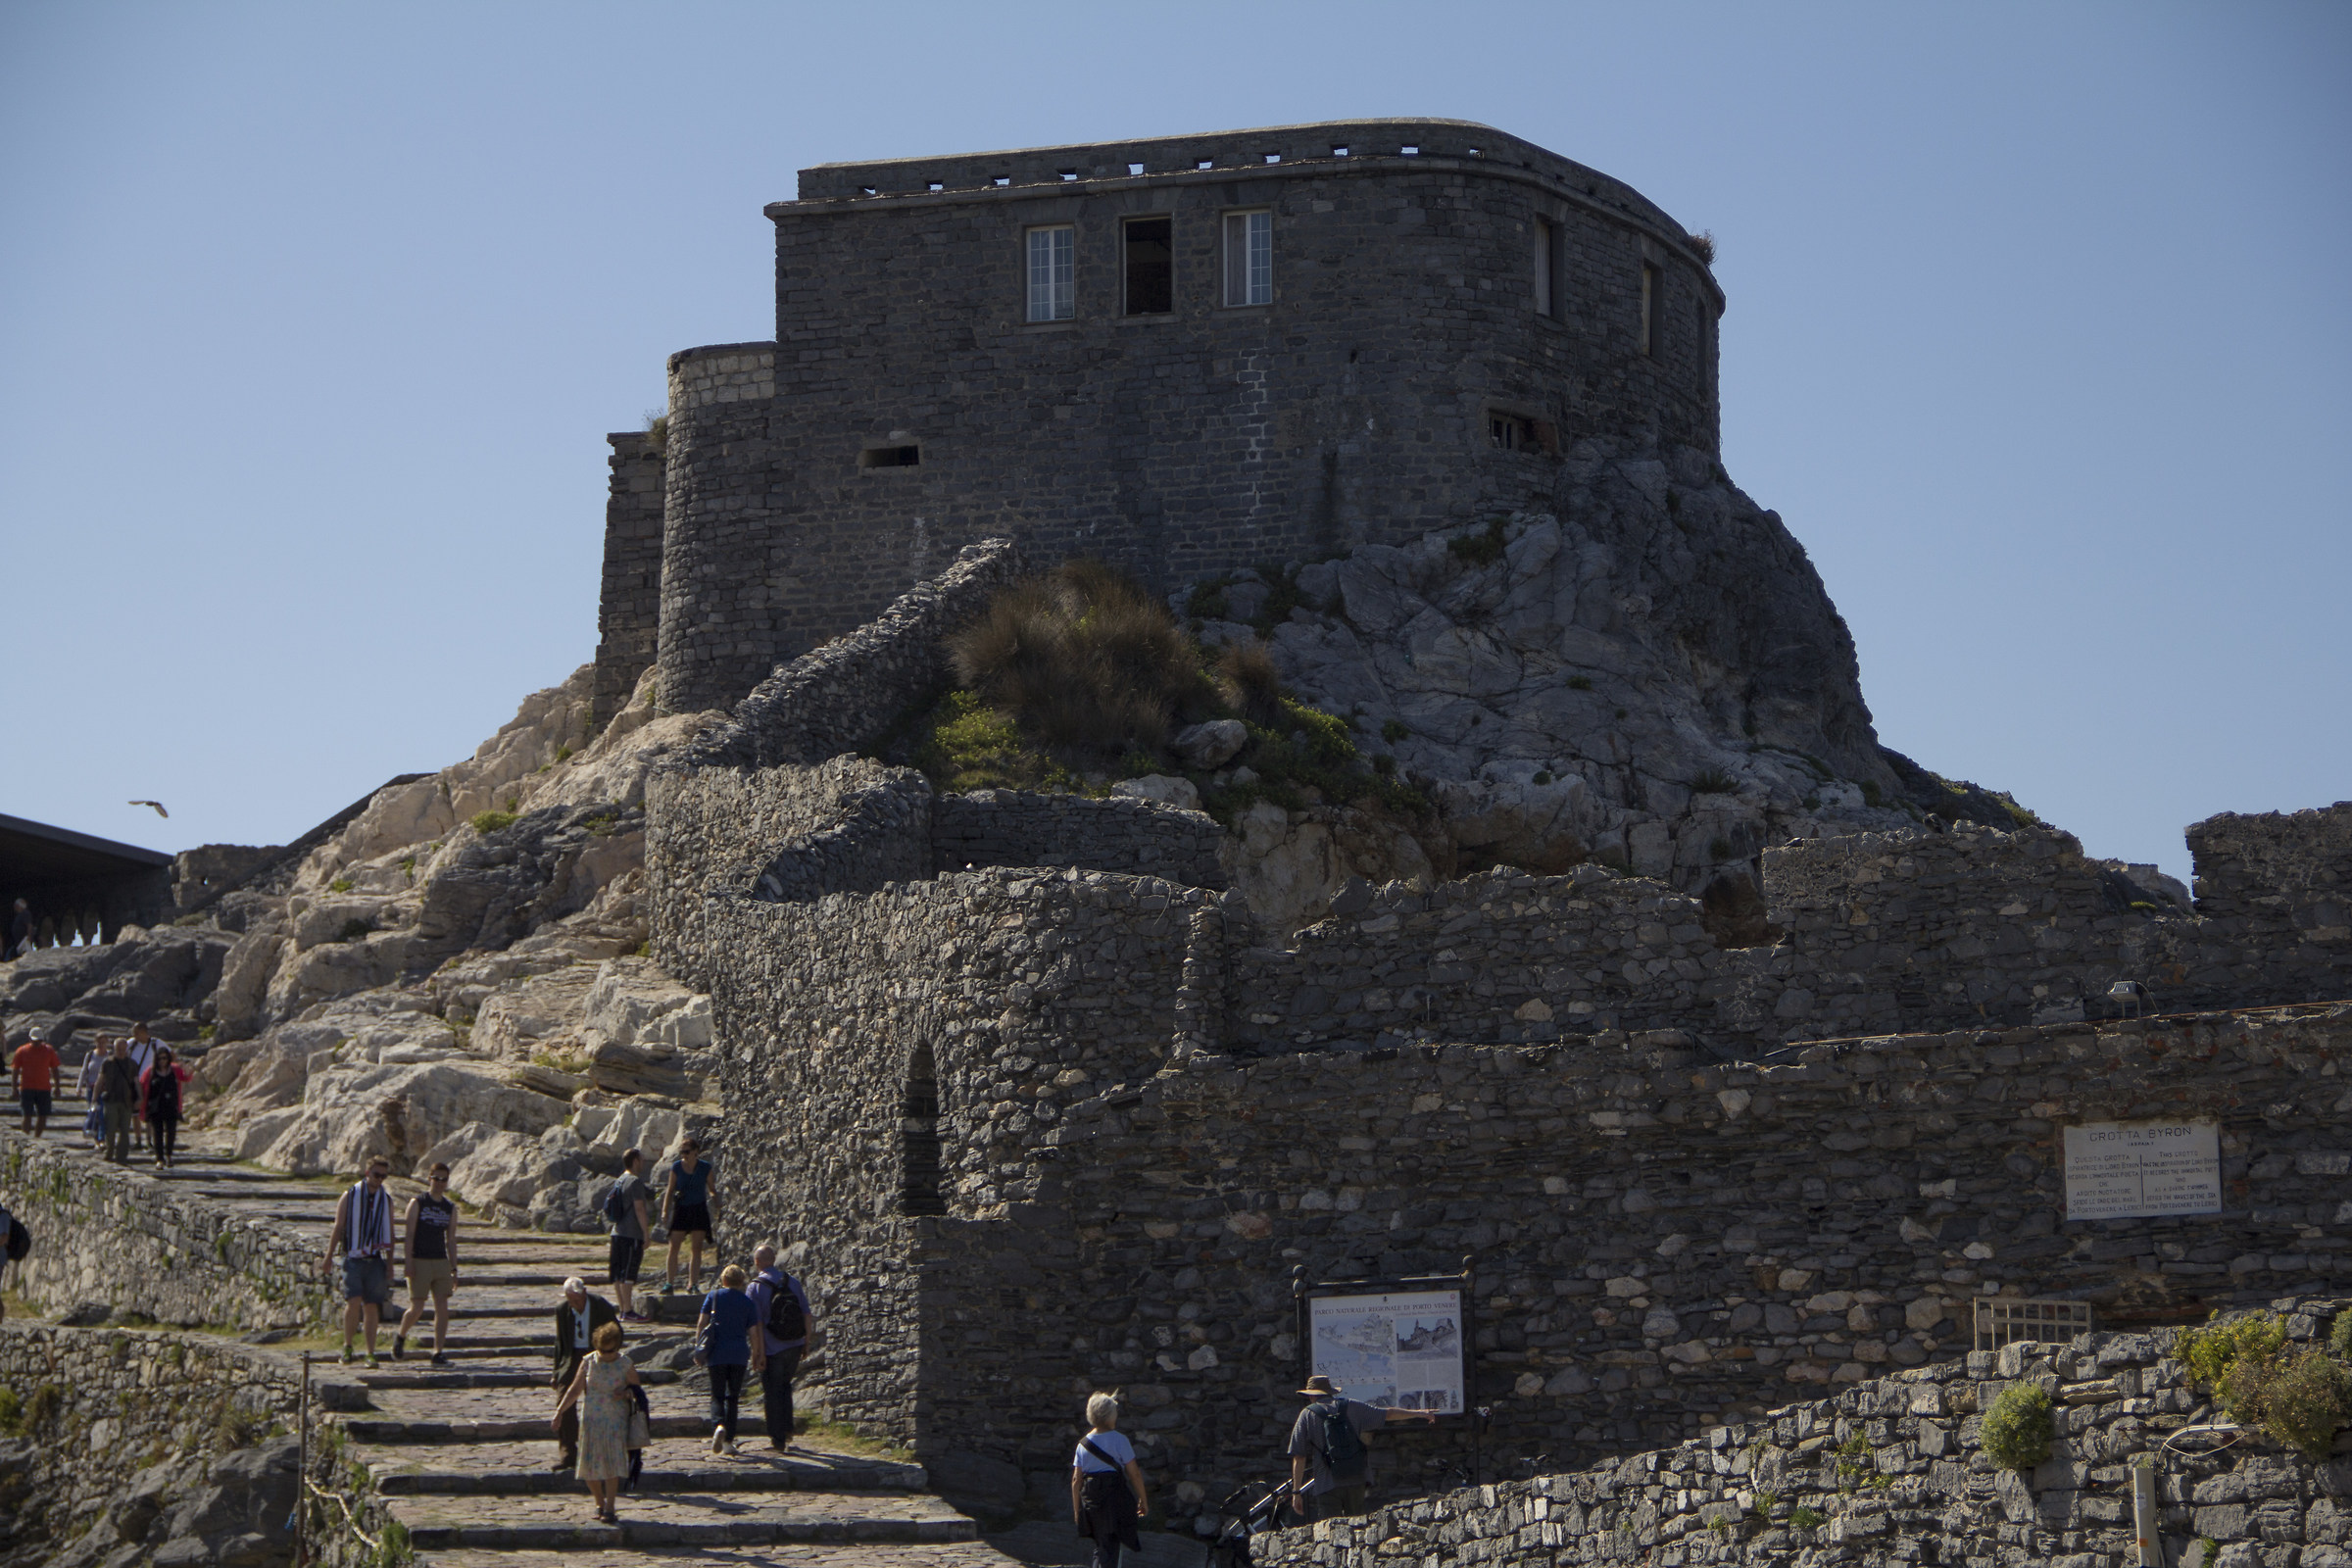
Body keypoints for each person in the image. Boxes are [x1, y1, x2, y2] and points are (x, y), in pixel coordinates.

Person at [1286, 1375, 1434, 1522]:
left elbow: (1299, 1456)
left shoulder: (1307, 1415)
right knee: (1357, 1528)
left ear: (1312, 1396)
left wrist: (1296, 1492)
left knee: (1330, 1531)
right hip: (1356, 1478)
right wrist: (1419, 1413)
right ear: (1330, 1392)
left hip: (1327, 1483)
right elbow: (1388, 1414)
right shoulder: (1351, 1406)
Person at [552, 1318, 640, 1524]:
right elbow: (574, 1390)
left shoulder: (625, 1363)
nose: (606, 1355)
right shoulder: (588, 1361)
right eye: (602, 1350)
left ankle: (610, 1506)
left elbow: (637, 1391)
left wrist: (626, 1393)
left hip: (614, 1421)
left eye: (610, 1351)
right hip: (591, 1420)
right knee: (589, 1466)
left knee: (611, 1465)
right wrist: (560, 1411)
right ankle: (599, 1502)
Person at [323, 1155, 397, 1366]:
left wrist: (391, 1263)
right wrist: (329, 1255)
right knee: (353, 1301)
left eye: (383, 1176)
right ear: (367, 1173)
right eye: (376, 1175)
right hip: (353, 1256)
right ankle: (348, 1346)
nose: (379, 1180)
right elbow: (339, 1226)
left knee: (372, 1306)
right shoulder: (350, 1195)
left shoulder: (386, 1200)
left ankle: (370, 1351)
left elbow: (390, 1233)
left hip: (375, 1258)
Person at [745, 1245, 818, 1452]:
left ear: (757, 1262)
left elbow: (756, 1324)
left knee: (772, 1392)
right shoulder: (792, 1281)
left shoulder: (755, 1287)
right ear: (774, 1259)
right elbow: (806, 1313)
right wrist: (806, 1342)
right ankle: (787, 1431)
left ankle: (777, 1440)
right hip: (794, 1344)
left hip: (771, 1347)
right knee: (786, 1387)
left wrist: (757, 1352)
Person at [1070, 1391, 1149, 1568]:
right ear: (1111, 1415)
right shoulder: (1120, 1440)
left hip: (1091, 1500)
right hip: (1114, 1501)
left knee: (1101, 1545)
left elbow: (1076, 1480)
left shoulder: (1082, 1444)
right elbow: (1134, 1473)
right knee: (1111, 1547)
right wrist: (1143, 1499)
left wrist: (1077, 1511)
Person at [394, 1161, 460, 1364]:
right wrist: (408, 1262)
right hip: (420, 1259)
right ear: (430, 1179)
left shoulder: (449, 1208)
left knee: (442, 1306)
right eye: (436, 1179)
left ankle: (437, 1351)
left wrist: (454, 1267)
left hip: (440, 1260)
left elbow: (451, 1239)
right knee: (417, 1307)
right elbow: (409, 1234)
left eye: (444, 1180)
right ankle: (401, 1336)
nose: (440, 1183)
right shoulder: (418, 1202)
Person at [553, 1277, 621, 1471]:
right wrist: (556, 1371)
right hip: (572, 1357)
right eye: (570, 1300)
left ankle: (600, 1452)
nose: (574, 1304)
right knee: (564, 1400)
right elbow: (560, 1342)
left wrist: (609, 1355)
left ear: (584, 1293)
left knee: (599, 1403)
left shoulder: (601, 1306)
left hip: (597, 1355)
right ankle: (568, 1452)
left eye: (577, 1299)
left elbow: (617, 1332)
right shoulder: (562, 1310)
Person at [695, 1263, 762, 1456]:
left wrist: (698, 1349)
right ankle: (729, 1442)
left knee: (717, 1394)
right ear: (741, 1282)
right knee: (733, 1397)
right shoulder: (747, 1302)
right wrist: (757, 1354)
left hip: (716, 1353)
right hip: (739, 1354)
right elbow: (754, 1333)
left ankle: (718, 1425)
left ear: (724, 1280)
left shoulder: (713, 1296)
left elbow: (702, 1323)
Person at [659, 1137, 718, 1296]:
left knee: (696, 1248)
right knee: (674, 1246)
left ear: (695, 1152)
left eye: (686, 1151)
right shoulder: (677, 1167)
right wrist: (665, 1210)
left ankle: (693, 1283)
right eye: (681, 1152)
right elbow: (670, 1190)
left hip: (698, 1208)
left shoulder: (705, 1168)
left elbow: (711, 1187)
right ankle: (669, 1283)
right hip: (681, 1208)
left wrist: (715, 1198)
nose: (683, 1155)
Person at [605, 1149, 656, 1321]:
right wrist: (646, 1233)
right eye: (641, 1160)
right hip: (631, 1233)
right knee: (629, 1273)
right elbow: (639, 1208)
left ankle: (623, 1309)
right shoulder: (634, 1182)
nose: (643, 1163)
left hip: (617, 1232)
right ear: (635, 1161)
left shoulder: (619, 1180)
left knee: (618, 1273)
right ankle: (628, 1310)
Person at [138, 1045, 190, 1166]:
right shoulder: (150, 1071)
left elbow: (186, 1078)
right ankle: (159, 1158)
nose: (162, 1061)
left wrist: (188, 1069)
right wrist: (141, 1104)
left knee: (171, 1131)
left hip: (171, 1106)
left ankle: (169, 1155)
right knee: (158, 1132)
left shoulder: (174, 1070)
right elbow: (142, 1086)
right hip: (155, 1107)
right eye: (160, 1058)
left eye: (165, 1058)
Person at [95, 1039, 140, 1164]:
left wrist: (140, 1098)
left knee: (125, 1130)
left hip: (127, 1101)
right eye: (118, 1049)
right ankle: (109, 1152)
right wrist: (94, 1097)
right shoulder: (107, 1063)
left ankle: (121, 1156)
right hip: (111, 1100)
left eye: (123, 1049)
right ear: (114, 1049)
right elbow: (100, 1080)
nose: (120, 1052)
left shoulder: (132, 1064)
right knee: (110, 1129)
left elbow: (137, 1082)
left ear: (126, 1049)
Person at [11, 1032, 60, 1137]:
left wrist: (57, 1086)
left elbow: (55, 1069)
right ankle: (25, 1138)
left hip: (44, 1088)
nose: (37, 1043)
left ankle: (37, 1137)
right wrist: (14, 1088)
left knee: (43, 1115)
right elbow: (15, 1070)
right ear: (29, 1039)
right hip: (27, 1087)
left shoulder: (49, 1050)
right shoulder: (22, 1051)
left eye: (39, 1040)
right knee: (27, 1115)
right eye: (35, 1040)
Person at [76, 1038, 109, 1146]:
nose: (100, 1044)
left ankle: (102, 1138)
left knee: (102, 1114)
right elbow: (84, 1071)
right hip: (91, 1089)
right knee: (94, 1114)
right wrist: (79, 1087)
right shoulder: (90, 1055)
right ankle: (96, 1139)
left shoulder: (109, 1056)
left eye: (103, 1042)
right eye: (98, 1042)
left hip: (104, 1090)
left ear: (107, 1043)